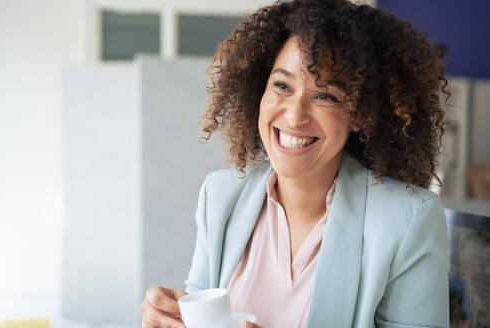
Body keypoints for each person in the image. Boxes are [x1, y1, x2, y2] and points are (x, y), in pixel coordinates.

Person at [139, 0, 451, 327]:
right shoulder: (220, 195)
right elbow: (200, 305)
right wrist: (169, 317)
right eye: (282, 85)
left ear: (360, 114)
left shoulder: (405, 222)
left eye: (326, 96)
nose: (294, 114)